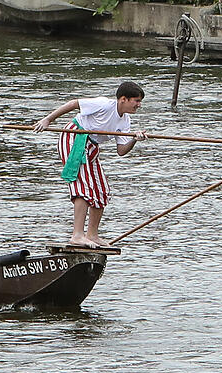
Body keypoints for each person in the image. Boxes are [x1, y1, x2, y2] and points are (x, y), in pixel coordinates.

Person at [34, 81, 147, 248]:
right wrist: (48, 120)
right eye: (136, 101)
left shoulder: (125, 121)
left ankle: (92, 234)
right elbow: (74, 104)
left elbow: (121, 151)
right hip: (74, 137)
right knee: (83, 186)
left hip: (92, 146)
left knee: (101, 190)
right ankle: (77, 235)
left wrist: (134, 140)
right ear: (123, 99)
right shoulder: (104, 104)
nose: (139, 105)